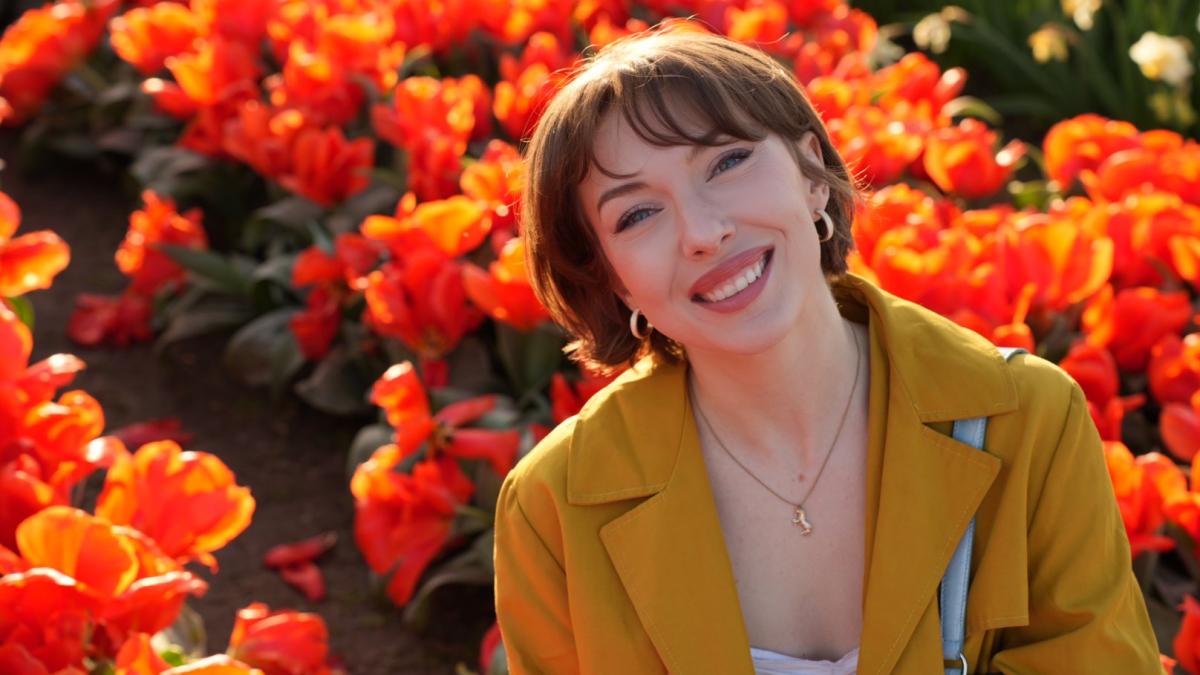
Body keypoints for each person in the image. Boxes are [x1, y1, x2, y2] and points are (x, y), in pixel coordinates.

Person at [492, 24, 1161, 675]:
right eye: (637, 214)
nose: (703, 231)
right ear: (609, 274)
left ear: (812, 170)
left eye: (727, 162)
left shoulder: (1026, 420)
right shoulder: (556, 506)